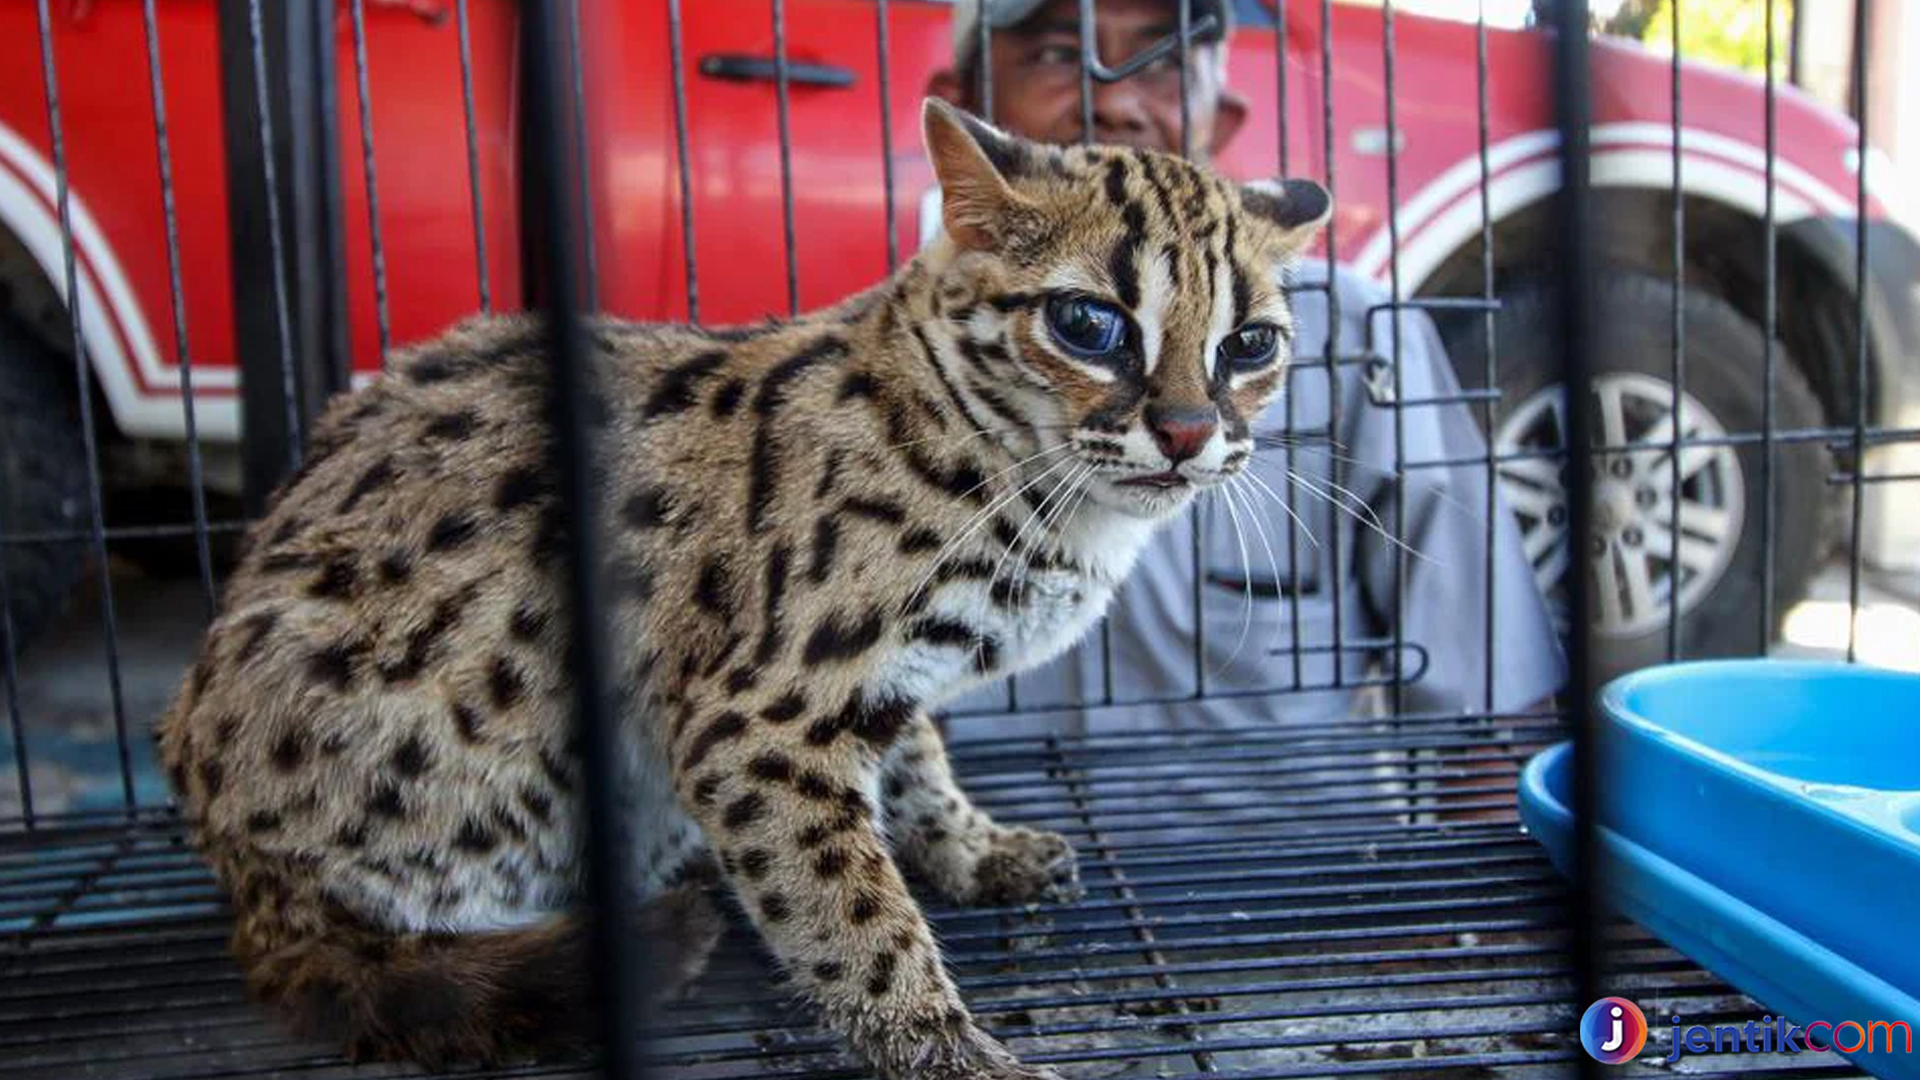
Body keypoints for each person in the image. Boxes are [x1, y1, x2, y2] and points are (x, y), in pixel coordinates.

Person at [917, 0, 1567, 758]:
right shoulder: (898, 367)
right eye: (1059, 55)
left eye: (1159, 62)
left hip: (1305, 863)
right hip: (998, 860)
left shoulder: (1353, 334)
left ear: (1218, 122)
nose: (1115, 99)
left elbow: (1498, 708)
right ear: (964, 115)